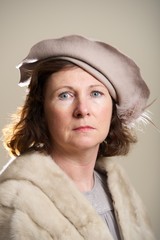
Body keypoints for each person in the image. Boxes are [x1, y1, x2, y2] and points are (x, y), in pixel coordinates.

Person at [0, 35, 155, 240]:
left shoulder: (119, 188)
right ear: (42, 111)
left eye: (96, 94)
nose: (82, 110)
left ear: (112, 109)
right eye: (65, 95)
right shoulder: (16, 202)